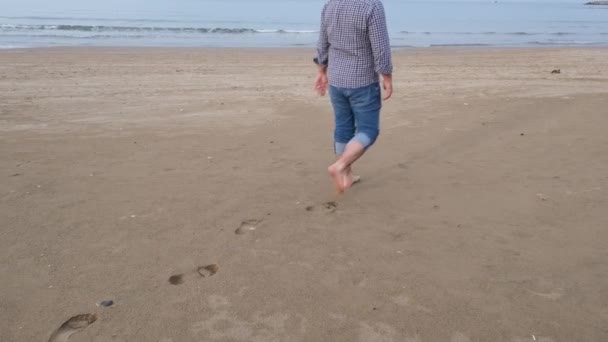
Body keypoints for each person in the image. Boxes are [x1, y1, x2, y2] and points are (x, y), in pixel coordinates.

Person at [314, 0, 393, 193]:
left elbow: (323, 42)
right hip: (362, 80)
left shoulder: (331, 4)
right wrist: (387, 75)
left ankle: (347, 175)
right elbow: (380, 46)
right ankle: (340, 166)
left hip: (337, 80)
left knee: (343, 127)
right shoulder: (371, 5)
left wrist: (321, 69)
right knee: (369, 130)